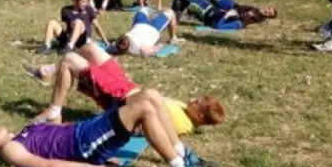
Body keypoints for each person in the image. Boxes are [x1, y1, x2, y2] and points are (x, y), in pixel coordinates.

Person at [0, 92, 216, 167]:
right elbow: (48, 165)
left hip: (86, 130)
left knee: (150, 95)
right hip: (85, 145)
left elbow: (57, 128)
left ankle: (183, 153)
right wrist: (89, 166)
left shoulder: (23, 132)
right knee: (144, 109)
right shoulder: (10, 149)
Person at [23, 47, 225, 135]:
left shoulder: (181, 123)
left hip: (119, 97)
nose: (192, 98)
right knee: (90, 48)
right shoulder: (185, 110)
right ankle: (47, 72)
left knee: (70, 60)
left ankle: (54, 113)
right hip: (127, 86)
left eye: (197, 102)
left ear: (199, 115)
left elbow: (144, 124)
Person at [36, 0, 108, 55]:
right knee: (52, 22)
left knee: (78, 22)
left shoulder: (89, 9)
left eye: (86, 2)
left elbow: (97, 26)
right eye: (83, 2)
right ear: (74, 1)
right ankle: (46, 46)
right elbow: (65, 25)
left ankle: (70, 47)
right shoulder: (65, 10)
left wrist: (105, 41)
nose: (85, 4)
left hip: (82, 39)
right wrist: (70, 28)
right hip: (69, 37)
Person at [171, 0, 277, 31]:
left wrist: (226, 16)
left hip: (205, 14)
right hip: (209, 7)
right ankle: (177, 15)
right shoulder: (239, 14)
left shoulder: (238, 24)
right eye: (249, 12)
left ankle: (173, 19)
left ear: (250, 20)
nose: (248, 13)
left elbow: (218, 27)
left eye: (250, 15)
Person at [112, 8, 183, 57]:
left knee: (142, 10)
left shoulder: (119, 43)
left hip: (139, 24)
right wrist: (159, 46)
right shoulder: (139, 48)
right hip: (153, 27)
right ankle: (173, 38)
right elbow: (156, 48)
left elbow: (112, 47)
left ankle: (156, 11)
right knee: (171, 13)